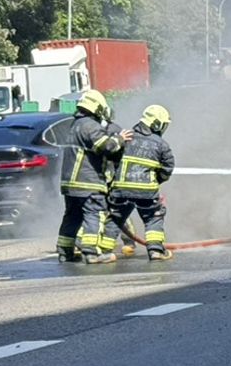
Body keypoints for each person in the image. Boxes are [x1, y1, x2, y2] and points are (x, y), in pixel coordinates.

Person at [57, 89, 125, 265]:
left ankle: (65, 252)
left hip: (69, 183)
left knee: (72, 216)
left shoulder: (74, 125)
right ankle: (91, 253)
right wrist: (121, 138)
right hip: (88, 182)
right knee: (94, 214)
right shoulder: (90, 126)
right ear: (97, 108)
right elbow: (107, 146)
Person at [109, 105, 175, 260]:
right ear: (157, 124)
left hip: (121, 190)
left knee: (115, 218)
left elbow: (112, 159)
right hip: (146, 191)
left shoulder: (126, 137)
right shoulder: (161, 144)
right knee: (153, 217)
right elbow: (168, 167)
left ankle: (103, 251)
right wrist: (156, 180)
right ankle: (156, 251)